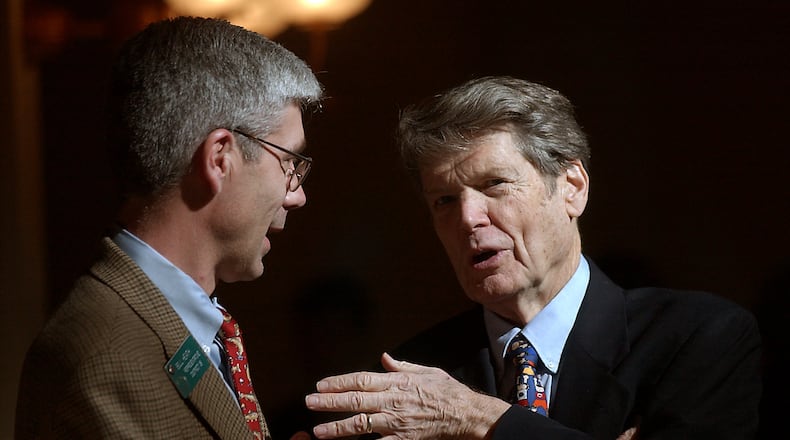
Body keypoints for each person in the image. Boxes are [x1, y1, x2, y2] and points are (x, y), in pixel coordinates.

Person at [304, 76, 762, 439]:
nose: (468, 218)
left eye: (494, 184)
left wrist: (481, 419)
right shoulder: (412, 377)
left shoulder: (697, 338)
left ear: (572, 188)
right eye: (444, 200)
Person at [15, 17, 322, 439]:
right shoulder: (104, 358)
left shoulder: (159, 320)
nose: (297, 195)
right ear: (220, 158)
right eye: (289, 163)